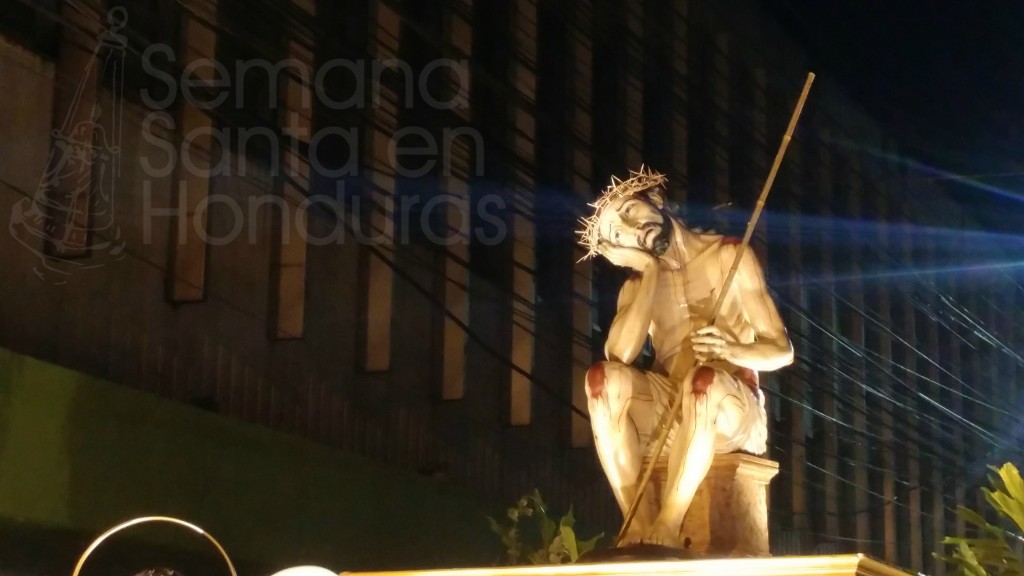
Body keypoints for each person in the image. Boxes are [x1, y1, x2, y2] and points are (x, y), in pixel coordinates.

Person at [577, 168, 794, 548]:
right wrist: (649, 271)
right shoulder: (636, 285)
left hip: (732, 406)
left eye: (629, 211)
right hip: (672, 407)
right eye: (617, 234)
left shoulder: (728, 256)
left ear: (655, 201)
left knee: (703, 382)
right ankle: (638, 524)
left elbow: (781, 351)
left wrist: (732, 350)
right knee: (602, 380)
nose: (630, 227)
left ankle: (669, 526)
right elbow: (619, 355)